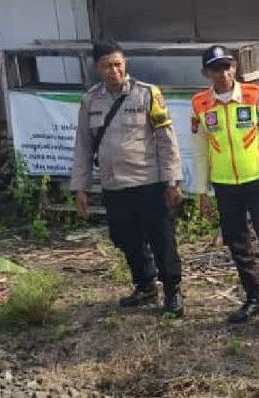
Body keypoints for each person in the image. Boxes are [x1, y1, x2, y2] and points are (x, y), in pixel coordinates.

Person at [70, 41, 185, 317]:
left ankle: (173, 292)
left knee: (162, 240)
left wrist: (172, 181)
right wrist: (80, 187)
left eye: (118, 64)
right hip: (114, 185)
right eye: (107, 66)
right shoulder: (90, 101)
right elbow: (83, 145)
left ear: (126, 64)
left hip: (149, 183)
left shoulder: (147, 94)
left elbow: (166, 141)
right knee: (125, 238)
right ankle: (145, 286)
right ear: (97, 68)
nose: (114, 71)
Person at [189, 45, 259, 330]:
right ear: (206, 73)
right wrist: (202, 192)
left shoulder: (254, 94)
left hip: (257, 180)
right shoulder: (200, 103)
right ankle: (253, 298)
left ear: (234, 68)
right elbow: (199, 151)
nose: (223, 73)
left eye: (228, 66)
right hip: (225, 186)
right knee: (238, 245)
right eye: (216, 68)